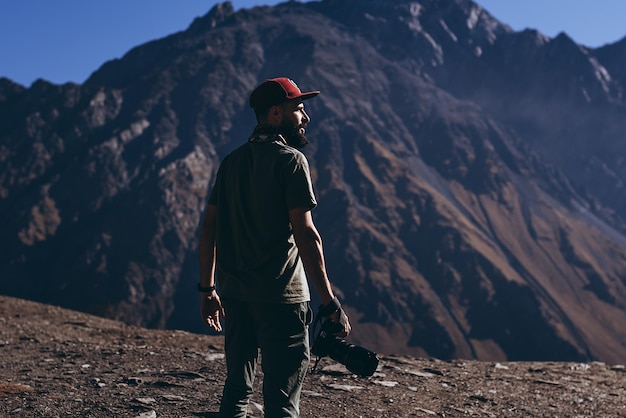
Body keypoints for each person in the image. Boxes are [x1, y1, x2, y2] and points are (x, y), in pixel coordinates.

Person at [198, 77, 351, 418]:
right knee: (282, 401)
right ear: (276, 113)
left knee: (237, 391)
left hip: (236, 296)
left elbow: (209, 229)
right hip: (283, 299)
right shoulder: (291, 161)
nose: (305, 117)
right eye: (299, 109)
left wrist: (208, 289)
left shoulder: (230, 163)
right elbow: (306, 234)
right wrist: (329, 302)